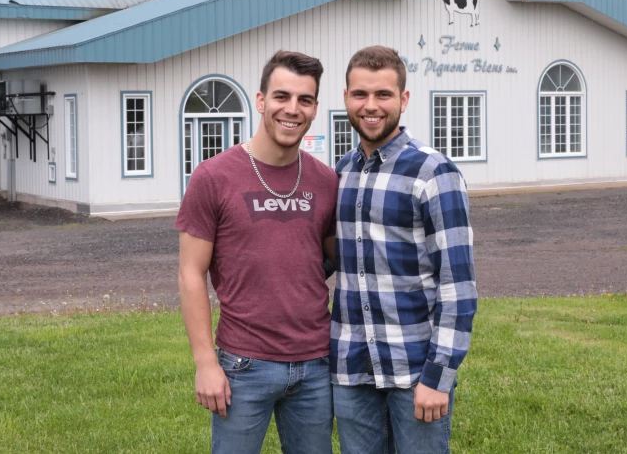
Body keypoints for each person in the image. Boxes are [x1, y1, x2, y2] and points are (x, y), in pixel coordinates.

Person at [176, 51, 339, 454]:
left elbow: (336, 257)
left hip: (316, 364)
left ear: (315, 108)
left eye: (304, 100)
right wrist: (205, 363)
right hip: (243, 365)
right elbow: (191, 274)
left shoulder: (325, 180)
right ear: (261, 100)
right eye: (282, 96)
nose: (292, 109)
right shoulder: (213, 177)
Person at [331, 45, 478, 454]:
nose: (371, 106)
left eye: (383, 95)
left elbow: (458, 287)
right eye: (360, 94)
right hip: (351, 369)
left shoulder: (433, 172)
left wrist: (438, 376)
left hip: (414, 371)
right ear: (346, 98)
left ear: (403, 99)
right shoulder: (340, 175)